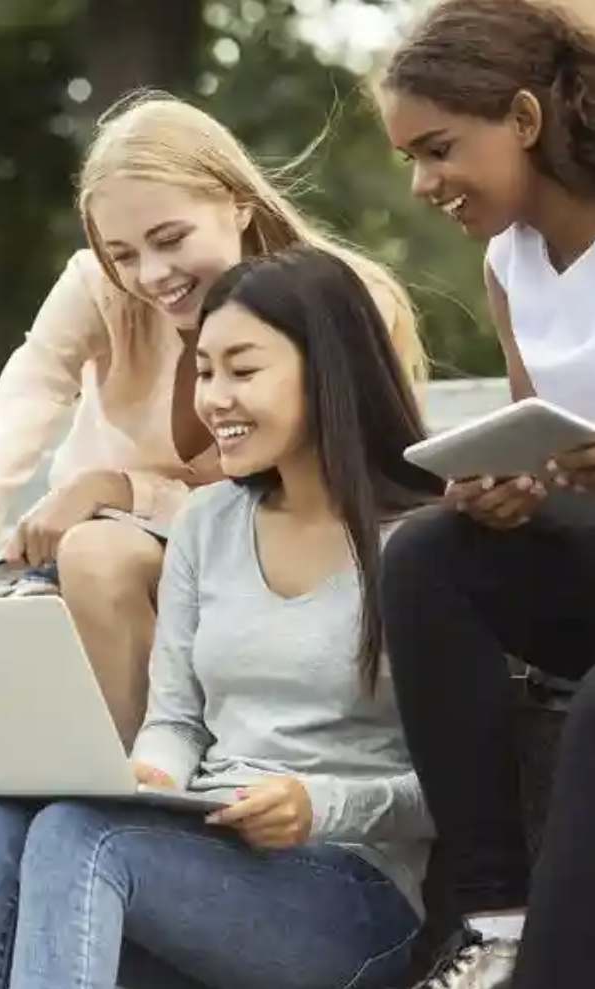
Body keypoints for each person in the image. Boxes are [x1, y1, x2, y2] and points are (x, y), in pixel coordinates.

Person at [0, 246, 443, 989]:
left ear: (328, 366)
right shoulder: (208, 523)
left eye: (243, 369)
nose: (214, 397)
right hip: (206, 847)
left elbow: (457, 786)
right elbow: (178, 720)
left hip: (355, 890)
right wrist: (151, 774)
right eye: (206, 370)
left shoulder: (423, 542)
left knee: (80, 835)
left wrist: (316, 805)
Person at [0, 88, 427, 763]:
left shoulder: (346, 301)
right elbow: (13, 416)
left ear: (237, 203)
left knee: (97, 553)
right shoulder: (98, 289)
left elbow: (300, 489)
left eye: (171, 239)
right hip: (68, 579)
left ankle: (136, 808)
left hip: (248, 569)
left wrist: (115, 489)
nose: (152, 275)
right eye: (124, 254)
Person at [376, 2, 595, 987]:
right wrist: (508, 486)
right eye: (410, 158)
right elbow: (542, 445)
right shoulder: (508, 262)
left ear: (524, 116)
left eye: (440, 148)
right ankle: (487, 909)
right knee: (425, 551)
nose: (423, 183)